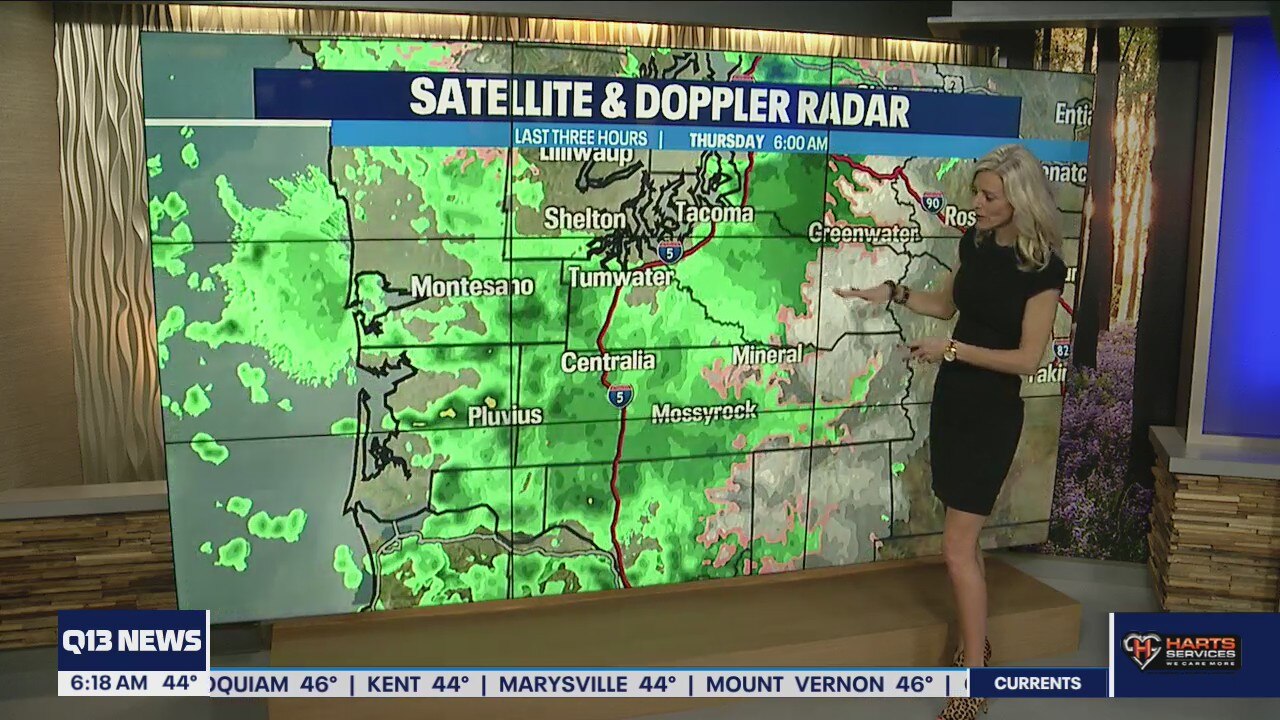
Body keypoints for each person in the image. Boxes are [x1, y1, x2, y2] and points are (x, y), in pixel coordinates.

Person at [835, 144, 1067, 720]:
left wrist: (955, 350)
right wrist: (892, 292)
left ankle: (972, 683)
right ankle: (975, 641)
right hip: (954, 403)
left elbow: (1028, 359)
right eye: (977, 194)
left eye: (989, 196)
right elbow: (945, 305)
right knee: (965, 541)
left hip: (991, 413)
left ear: (1020, 199)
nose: (977, 204)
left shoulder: (1043, 270)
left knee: (957, 546)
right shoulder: (975, 244)